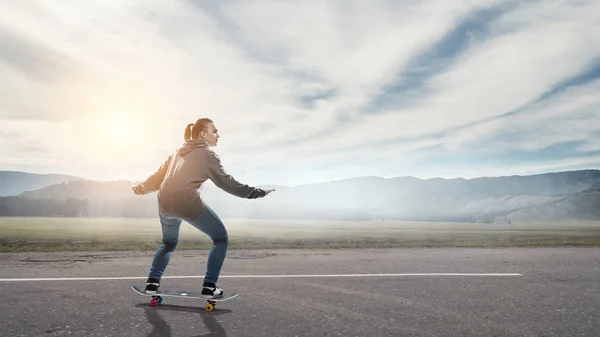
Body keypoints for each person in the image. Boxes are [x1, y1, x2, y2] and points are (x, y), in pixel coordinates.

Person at [131, 118, 274, 298]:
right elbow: (227, 183)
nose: (218, 135)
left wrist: (139, 189)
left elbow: (156, 179)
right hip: (187, 203)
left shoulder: (176, 153)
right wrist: (257, 193)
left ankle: (152, 283)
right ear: (202, 134)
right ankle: (209, 286)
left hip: (165, 202)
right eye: (214, 131)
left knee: (168, 243)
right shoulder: (208, 155)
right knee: (220, 238)